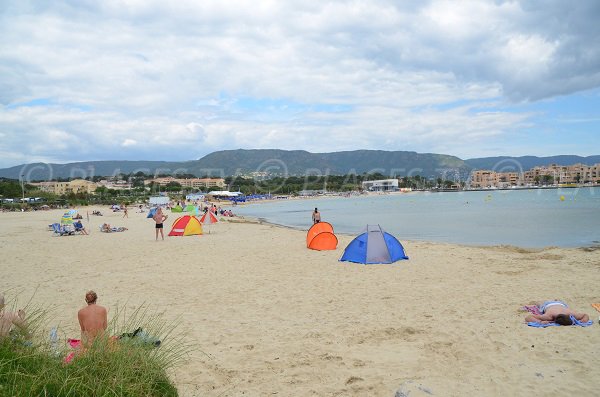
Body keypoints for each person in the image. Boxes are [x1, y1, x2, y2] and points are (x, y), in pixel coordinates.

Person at [525, 300, 589, 325]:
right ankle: (537, 303)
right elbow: (528, 317)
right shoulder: (549, 316)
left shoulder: (571, 314)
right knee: (539, 306)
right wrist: (540, 322)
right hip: (549, 304)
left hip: (561, 303)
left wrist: (584, 319)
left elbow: (585, 315)